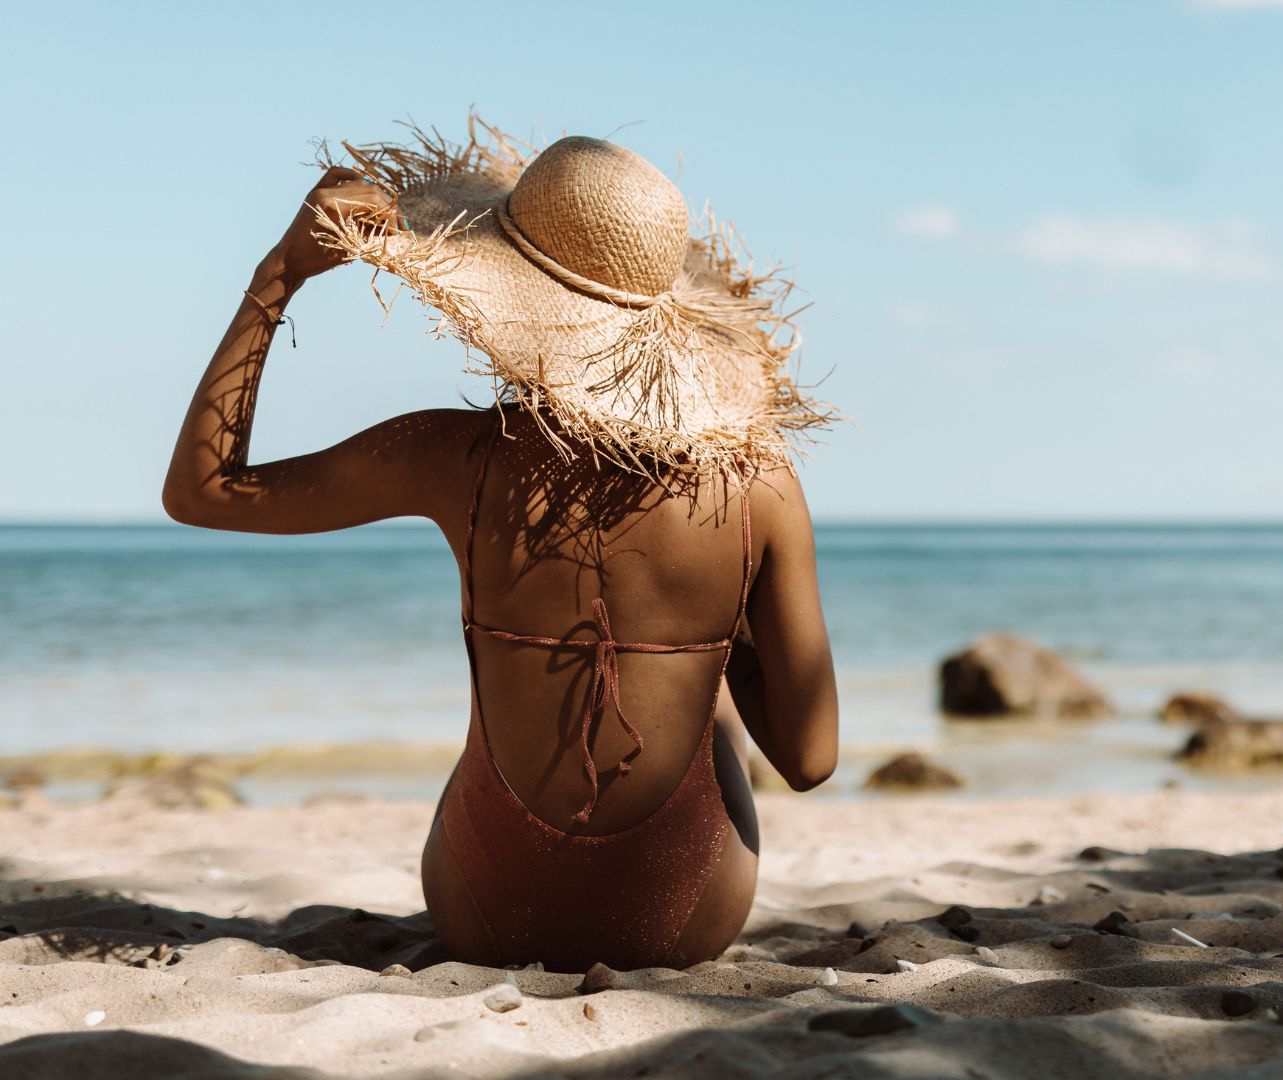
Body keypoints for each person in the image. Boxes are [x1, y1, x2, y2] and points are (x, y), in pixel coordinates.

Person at [162, 122, 839, 972]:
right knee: (716, 704)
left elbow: (202, 493)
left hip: (486, 910)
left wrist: (278, 279)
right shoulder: (761, 486)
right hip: (686, 910)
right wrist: (720, 636)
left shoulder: (456, 457)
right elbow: (813, 761)